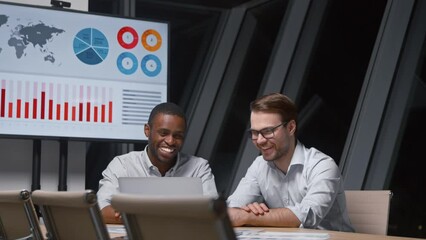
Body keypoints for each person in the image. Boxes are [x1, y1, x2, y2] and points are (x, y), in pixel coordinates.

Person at [227, 93, 354, 232]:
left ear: (291, 128)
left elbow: (307, 216)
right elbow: (231, 210)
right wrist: (241, 213)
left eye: (268, 131)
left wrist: (248, 216)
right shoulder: (259, 166)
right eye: (255, 133)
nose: (260, 140)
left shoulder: (322, 165)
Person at [97, 102, 218, 224]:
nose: (170, 141)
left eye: (178, 136)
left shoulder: (199, 168)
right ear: (147, 130)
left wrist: (135, 215)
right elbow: (101, 210)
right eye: (163, 133)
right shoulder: (123, 165)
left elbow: (214, 212)